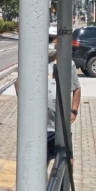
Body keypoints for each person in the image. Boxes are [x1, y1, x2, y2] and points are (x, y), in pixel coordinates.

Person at [14, 27, 81, 170]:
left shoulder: (68, 64)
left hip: (60, 126)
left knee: (66, 162)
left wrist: (74, 111)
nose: (48, 43)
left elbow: (76, 89)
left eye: (51, 39)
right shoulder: (36, 64)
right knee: (39, 165)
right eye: (47, 39)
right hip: (39, 127)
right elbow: (18, 83)